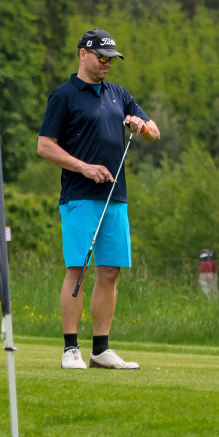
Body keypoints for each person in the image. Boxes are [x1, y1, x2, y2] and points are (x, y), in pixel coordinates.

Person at [35, 29, 161, 371]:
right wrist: (84, 168)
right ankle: (70, 349)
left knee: (110, 271)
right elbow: (45, 146)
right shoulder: (63, 96)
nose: (107, 64)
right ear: (83, 54)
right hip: (79, 196)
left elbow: (154, 133)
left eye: (111, 59)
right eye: (102, 57)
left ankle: (100, 351)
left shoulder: (119, 94)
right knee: (77, 268)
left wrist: (140, 126)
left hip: (115, 196)